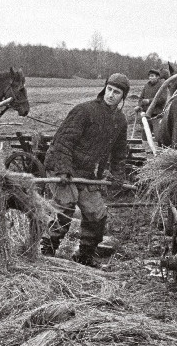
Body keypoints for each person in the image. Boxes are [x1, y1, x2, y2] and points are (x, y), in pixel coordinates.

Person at [41, 73, 129, 267]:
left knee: (97, 213)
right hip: (61, 167)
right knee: (66, 206)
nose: (111, 95)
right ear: (104, 89)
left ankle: (84, 256)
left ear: (123, 97)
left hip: (86, 174)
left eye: (117, 92)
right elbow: (63, 141)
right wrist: (64, 170)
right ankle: (46, 248)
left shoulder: (120, 121)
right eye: (109, 89)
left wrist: (118, 175)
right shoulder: (84, 111)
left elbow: (119, 152)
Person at [134, 68, 164, 141]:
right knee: (145, 135)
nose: (150, 78)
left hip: (157, 115)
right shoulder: (146, 86)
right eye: (150, 76)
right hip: (146, 114)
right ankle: (147, 151)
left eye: (152, 76)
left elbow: (162, 99)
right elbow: (141, 98)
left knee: (158, 135)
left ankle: (158, 150)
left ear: (157, 77)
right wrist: (139, 105)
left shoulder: (162, 86)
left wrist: (149, 101)